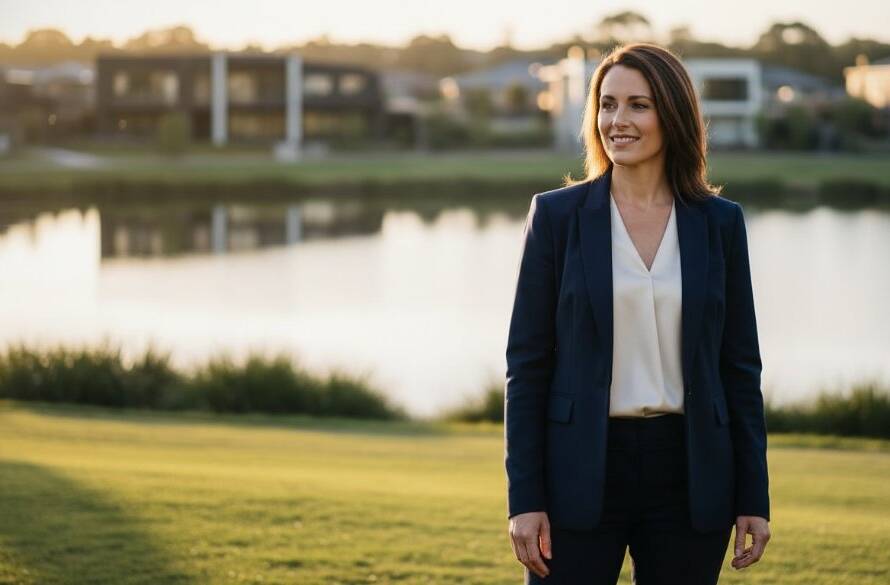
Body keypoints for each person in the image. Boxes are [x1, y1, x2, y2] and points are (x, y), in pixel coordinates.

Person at [504, 43, 770, 585]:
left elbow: (740, 368)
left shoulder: (720, 223)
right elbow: (527, 366)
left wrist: (753, 496)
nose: (617, 120)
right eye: (607, 104)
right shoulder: (556, 216)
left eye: (638, 105)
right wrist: (524, 498)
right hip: (578, 468)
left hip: (691, 473)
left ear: (673, 115)